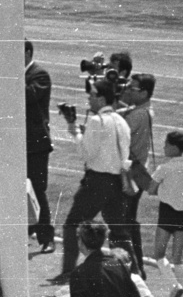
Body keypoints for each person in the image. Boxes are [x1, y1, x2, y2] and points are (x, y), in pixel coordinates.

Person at [56, 78, 130, 280]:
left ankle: (68, 271)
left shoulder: (97, 121)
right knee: (119, 230)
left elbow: (87, 154)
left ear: (102, 98)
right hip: (117, 182)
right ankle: (131, 271)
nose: (89, 97)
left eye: (93, 94)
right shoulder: (122, 122)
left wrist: (76, 133)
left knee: (72, 224)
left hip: (97, 181)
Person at [149, 131, 183, 297]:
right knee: (178, 257)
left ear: (175, 147)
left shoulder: (164, 168)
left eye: (166, 145)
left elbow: (151, 190)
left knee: (159, 254)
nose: (163, 147)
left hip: (167, 214)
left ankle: (174, 286)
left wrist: (159, 184)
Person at [114, 73, 157, 272]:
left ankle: (134, 268)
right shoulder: (142, 110)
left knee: (123, 224)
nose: (129, 91)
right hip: (138, 172)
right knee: (129, 221)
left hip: (130, 174)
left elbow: (117, 133)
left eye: (133, 89)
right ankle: (137, 266)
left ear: (145, 93)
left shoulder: (137, 115)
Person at [23, 41, 55, 253]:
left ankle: (46, 236)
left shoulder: (40, 75)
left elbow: (27, 96)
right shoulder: (26, 74)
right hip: (19, 141)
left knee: (37, 189)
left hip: (35, 143)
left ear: (26, 53)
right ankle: (29, 226)